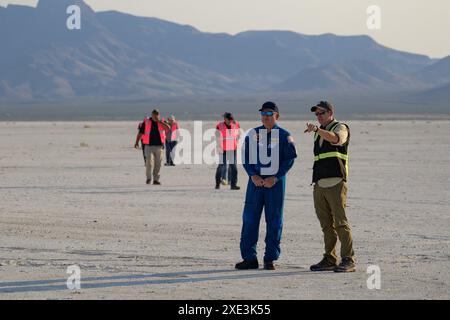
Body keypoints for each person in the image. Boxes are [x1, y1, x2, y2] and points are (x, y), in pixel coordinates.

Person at [235, 101, 297, 270]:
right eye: (263, 114)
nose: (266, 117)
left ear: (277, 116)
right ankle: (249, 258)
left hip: (274, 185)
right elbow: (245, 157)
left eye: (269, 114)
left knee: (274, 220)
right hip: (255, 185)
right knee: (249, 220)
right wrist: (252, 175)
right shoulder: (252, 134)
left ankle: (270, 258)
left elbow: (289, 160)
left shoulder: (285, 136)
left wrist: (276, 177)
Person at [304, 101, 355, 273]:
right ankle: (330, 258)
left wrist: (318, 130)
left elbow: (336, 139)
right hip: (320, 184)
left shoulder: (340, 127)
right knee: (326, 224)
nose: (319, 117)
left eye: (322, 113)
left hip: (335, 183)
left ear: (331, 112)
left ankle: (348, 259)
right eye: (317, 114)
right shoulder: (318, 134)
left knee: (340, 222)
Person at [134, 109, 170, 185]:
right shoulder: (146, 122)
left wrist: (159, 121)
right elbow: (140, 132)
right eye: (154, 114)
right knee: (149, 163)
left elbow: (168, 128)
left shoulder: (162, 121)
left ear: (158, 115)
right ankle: (148, 178)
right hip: (148, 146)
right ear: (152, 114)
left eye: (157, 114)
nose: (155, 116)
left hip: (159, 146)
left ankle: (156, 180)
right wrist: (136, 142)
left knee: (158, 164)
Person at [215, 112, 241, 190]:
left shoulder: (236, 124)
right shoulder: (219, 125)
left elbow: (238, 134)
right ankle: (217, 184)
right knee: (221, 167)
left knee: (234, 168)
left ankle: (233, 185)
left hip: (233, 148)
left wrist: (237, 140)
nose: (230, 121)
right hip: (223, 149)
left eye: (231, 120)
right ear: (225, 119)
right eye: (228, 119)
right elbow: (217, 136)